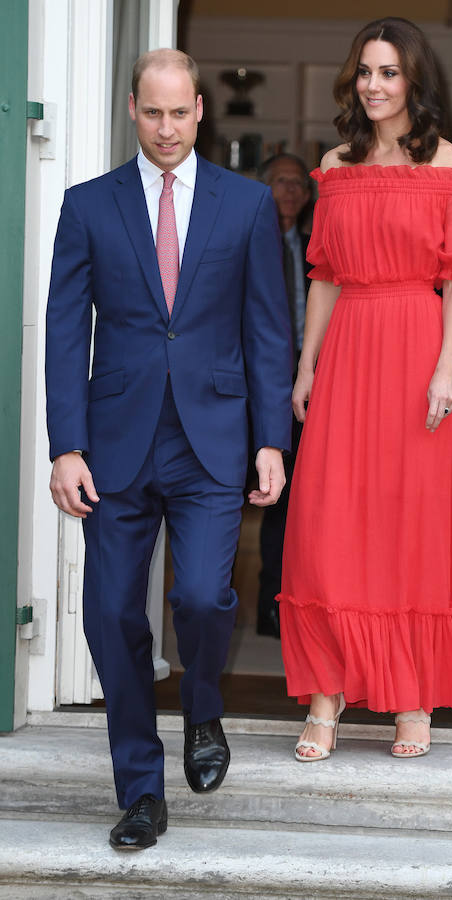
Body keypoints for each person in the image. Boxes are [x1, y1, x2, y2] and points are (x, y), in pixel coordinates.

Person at [46, 49, 292, 849]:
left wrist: (269, 441)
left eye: (179, 112)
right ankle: (141, 790)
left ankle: (204, 710)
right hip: (114, 444)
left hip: (212, 440)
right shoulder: (88, 205)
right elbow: (62, 334)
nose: (166, 128)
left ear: (199, 112)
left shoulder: (248, 205)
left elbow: (267, 332)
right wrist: (66, 445)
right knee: (114, 612)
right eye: (152, 113)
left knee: (200, 600)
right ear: (131, 110)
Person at [276, 17, 452, 762]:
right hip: (349, 352)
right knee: (332, 523)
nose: (374, 86)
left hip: (418, 349)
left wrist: (447, 367)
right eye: (365, 72)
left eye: (389, 73)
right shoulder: (335, 164)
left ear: (415, 81)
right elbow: (323, 275)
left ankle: (412, 692)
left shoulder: (451, 166)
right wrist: (307, 366)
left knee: (411, 524)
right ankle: (327, 693)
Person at [256, 153, 312, 638]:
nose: (290, 191)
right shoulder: (249, 240)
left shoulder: (316, 246)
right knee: (268, 494)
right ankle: (267, 602)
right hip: (259, 387)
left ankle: (297, 603)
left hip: (313, 385)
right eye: (280, 182)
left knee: (304, 499)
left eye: (297, 183)